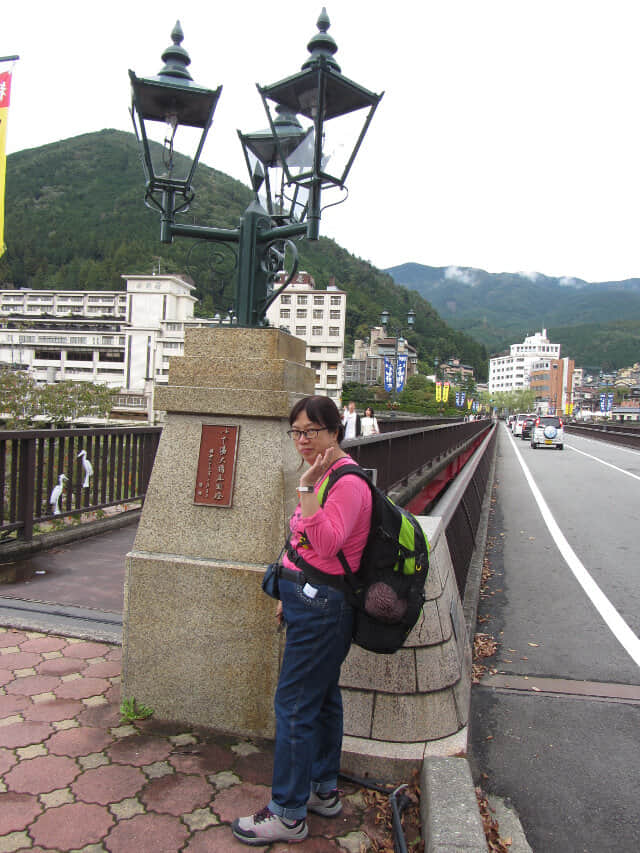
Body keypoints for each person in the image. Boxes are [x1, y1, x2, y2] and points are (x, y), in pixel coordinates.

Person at [232, 395, 373, 846]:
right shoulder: (323, 475)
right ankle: (322, 790)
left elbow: (328, 544)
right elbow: (302, 540)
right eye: (296, 431)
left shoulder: (346, 482)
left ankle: (288, 813)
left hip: (323, 608)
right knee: (323, 696)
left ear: (336, 431)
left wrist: (307, 490)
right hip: (305, 600)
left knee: (293, 704)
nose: (303, 440)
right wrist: (287, 594)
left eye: (312, 431)